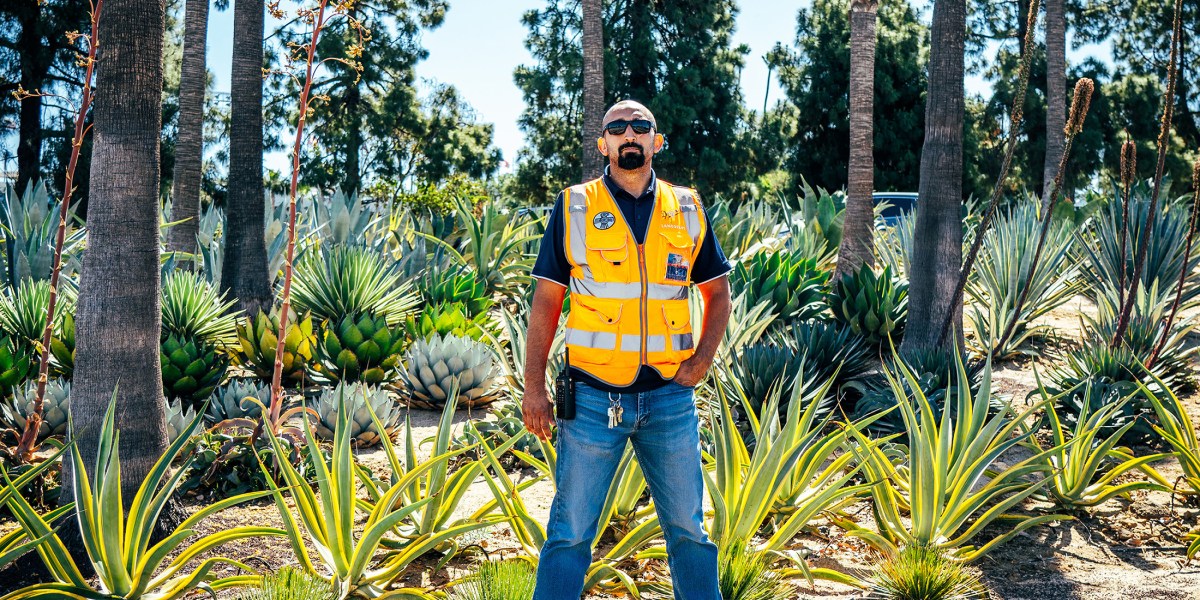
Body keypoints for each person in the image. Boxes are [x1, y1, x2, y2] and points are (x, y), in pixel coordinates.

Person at [522, 99, 733, 599]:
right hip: (594, 401)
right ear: (603, 144)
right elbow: (546, 302)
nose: (629, 134)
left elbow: (718, 291)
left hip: (669, 400)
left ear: (657, 141)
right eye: (617, 127)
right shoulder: (575, 205)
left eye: (641, 126)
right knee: (570, 534)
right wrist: (534, 389)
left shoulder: (686, 206)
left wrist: (701, 360)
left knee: (689, 533)